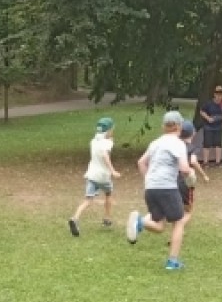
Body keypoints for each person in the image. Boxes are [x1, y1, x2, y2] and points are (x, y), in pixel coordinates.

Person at [125, 110, 192, 270]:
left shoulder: (155, 143)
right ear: (179, 126)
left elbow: (141, 162)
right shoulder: (178, 143)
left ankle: (140, 222)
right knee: (179, 222)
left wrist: (149, 180)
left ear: (164, 126)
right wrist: (191, 174)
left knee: (159, 225)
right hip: (167, 188)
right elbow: (184, 168)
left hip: (151, 188)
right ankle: (172, 262)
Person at [68, 117, 121, 236]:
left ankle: (75, 218)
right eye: (112, 129)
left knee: (88, 200)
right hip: (103, 176)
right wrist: (112, 171)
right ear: (108, 131)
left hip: (91, 175)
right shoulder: (108, 143)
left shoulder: (93, 141)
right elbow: (105, 155)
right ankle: (107, 218)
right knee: (108, 194)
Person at [178, 121, 210, 227]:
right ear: (193, 133)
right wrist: (204, 175)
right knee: (189, 210)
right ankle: (179, 227)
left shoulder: (174, 146)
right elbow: (193, 161)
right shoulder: (192, 148)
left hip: (170, 179)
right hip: (185, 181)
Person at [199, 85, 222, 165]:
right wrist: (208, 118)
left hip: (219, 126)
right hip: (208, 127)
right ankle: (205, 162)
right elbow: (202, 111)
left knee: (218, 144)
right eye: (217, 94)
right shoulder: (209, 103)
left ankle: (218, 162)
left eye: (221, 94)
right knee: (207, 144)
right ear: (214, 94)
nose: (219, 96)